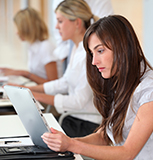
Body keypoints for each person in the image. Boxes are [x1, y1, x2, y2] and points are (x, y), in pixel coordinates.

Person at [41, 15, 153, 160]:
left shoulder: (152, 88)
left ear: (122, 46)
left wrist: (71, 145)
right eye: (92, 53)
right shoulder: (120, 80)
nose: (94, 61)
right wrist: (67, 142)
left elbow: (127, 153)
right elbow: (105, 136)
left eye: (100, 51)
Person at [18, 0, 102, 137]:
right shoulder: (76, 48)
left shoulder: (87, 54)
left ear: (77, 23)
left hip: (85, 124)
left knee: (32, 134)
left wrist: (36, 96)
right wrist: (29, 90)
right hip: (72, 118)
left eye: (60, 21)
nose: (56, 27)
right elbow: (64, 82)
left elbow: (78, 101)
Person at [0, 7, 58, 84]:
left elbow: (53, 85)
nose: (16, 32)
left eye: (18, 28)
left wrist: (23, 73)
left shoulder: (46, 47)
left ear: (27, 28)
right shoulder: (33, 46)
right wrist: (15, 72)